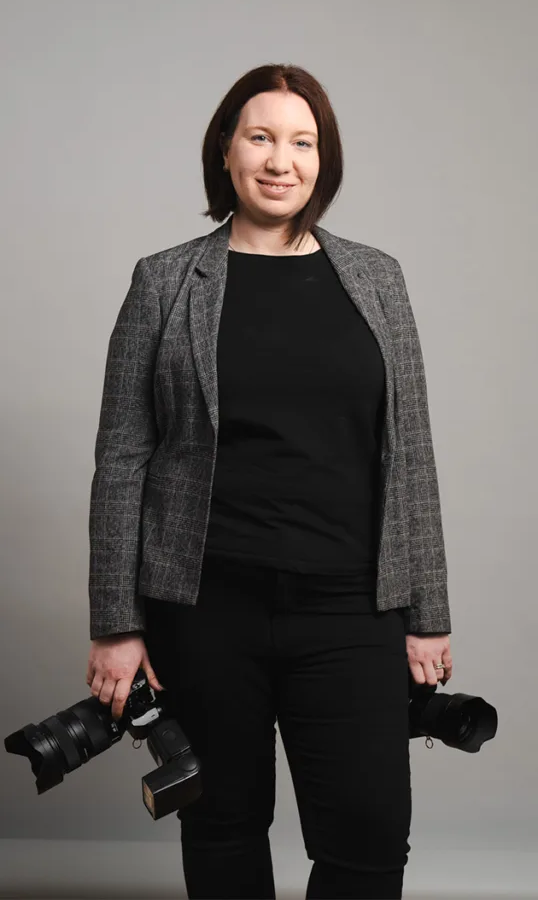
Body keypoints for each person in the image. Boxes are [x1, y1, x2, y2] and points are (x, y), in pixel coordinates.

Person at [86, 63, 454, 900]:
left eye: (302, 141)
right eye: (260, 137)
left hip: (353, 605)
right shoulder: (165, 281)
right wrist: (117, 623)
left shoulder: (377, 278)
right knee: (221, 828)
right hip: (208, 607)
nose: (280, 160)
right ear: (226, 152)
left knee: (367, 837)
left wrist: (428, 614)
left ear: (324, 160)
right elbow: (123, 457)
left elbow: (413, 454)